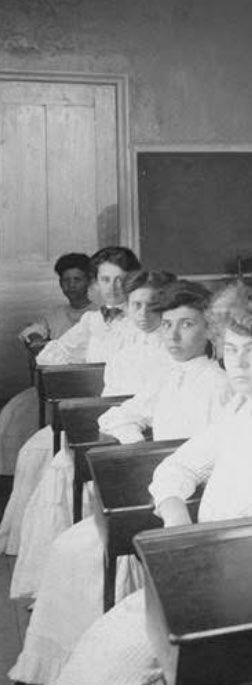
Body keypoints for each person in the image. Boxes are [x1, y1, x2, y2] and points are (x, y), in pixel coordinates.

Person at [37, 284, 252, 685]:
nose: (238, 363)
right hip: (203, 573)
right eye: (231, 348)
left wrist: (198, 561)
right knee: (103, 645)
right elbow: (175, 468)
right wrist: (177, 518)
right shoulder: (245, 408)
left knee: (108, 661)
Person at [0, 281, 237, 685]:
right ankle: (45, 675)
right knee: (69, 547)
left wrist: (163, 476)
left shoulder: (219, 385)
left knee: (83, 556)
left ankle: (55, 682)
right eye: (167, 324)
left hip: (186, 510)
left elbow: (215, 464)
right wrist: (138, 448)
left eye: (187, 325)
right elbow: (116, 415)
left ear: (211, 330)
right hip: (157, 490)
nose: (173, 335)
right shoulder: (172, 375)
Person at [9, 270, 176, 600]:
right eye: (136, 305)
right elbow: (114, 405)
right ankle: (61, 585)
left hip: (159, 442)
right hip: (124, 434)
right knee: (63, 470)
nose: (144, 315)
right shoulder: (125, 353)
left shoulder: (172, 350)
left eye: (154, 306)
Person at [0, 247, 142, 556]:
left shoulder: (141, 319)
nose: (113, 288)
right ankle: (48, 549)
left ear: (133, 280)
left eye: (121, 279)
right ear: (96, 282)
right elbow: (50, 356)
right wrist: (79, 368)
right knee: (33, 452)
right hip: (91, 411)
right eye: (105, 280)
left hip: (129, 413)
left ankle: (82, 545)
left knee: (60, 464)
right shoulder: (92, 320)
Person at [1, 253, 98, 479]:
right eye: (66, 280)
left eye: (77, 279)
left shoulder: (98, 313)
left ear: (89, 281)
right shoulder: (54, 314)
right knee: (14, 414)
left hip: (89, 388)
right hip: (54, 387)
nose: (71, 286)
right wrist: (37, 338)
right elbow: (33, 331)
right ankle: (32, 476)